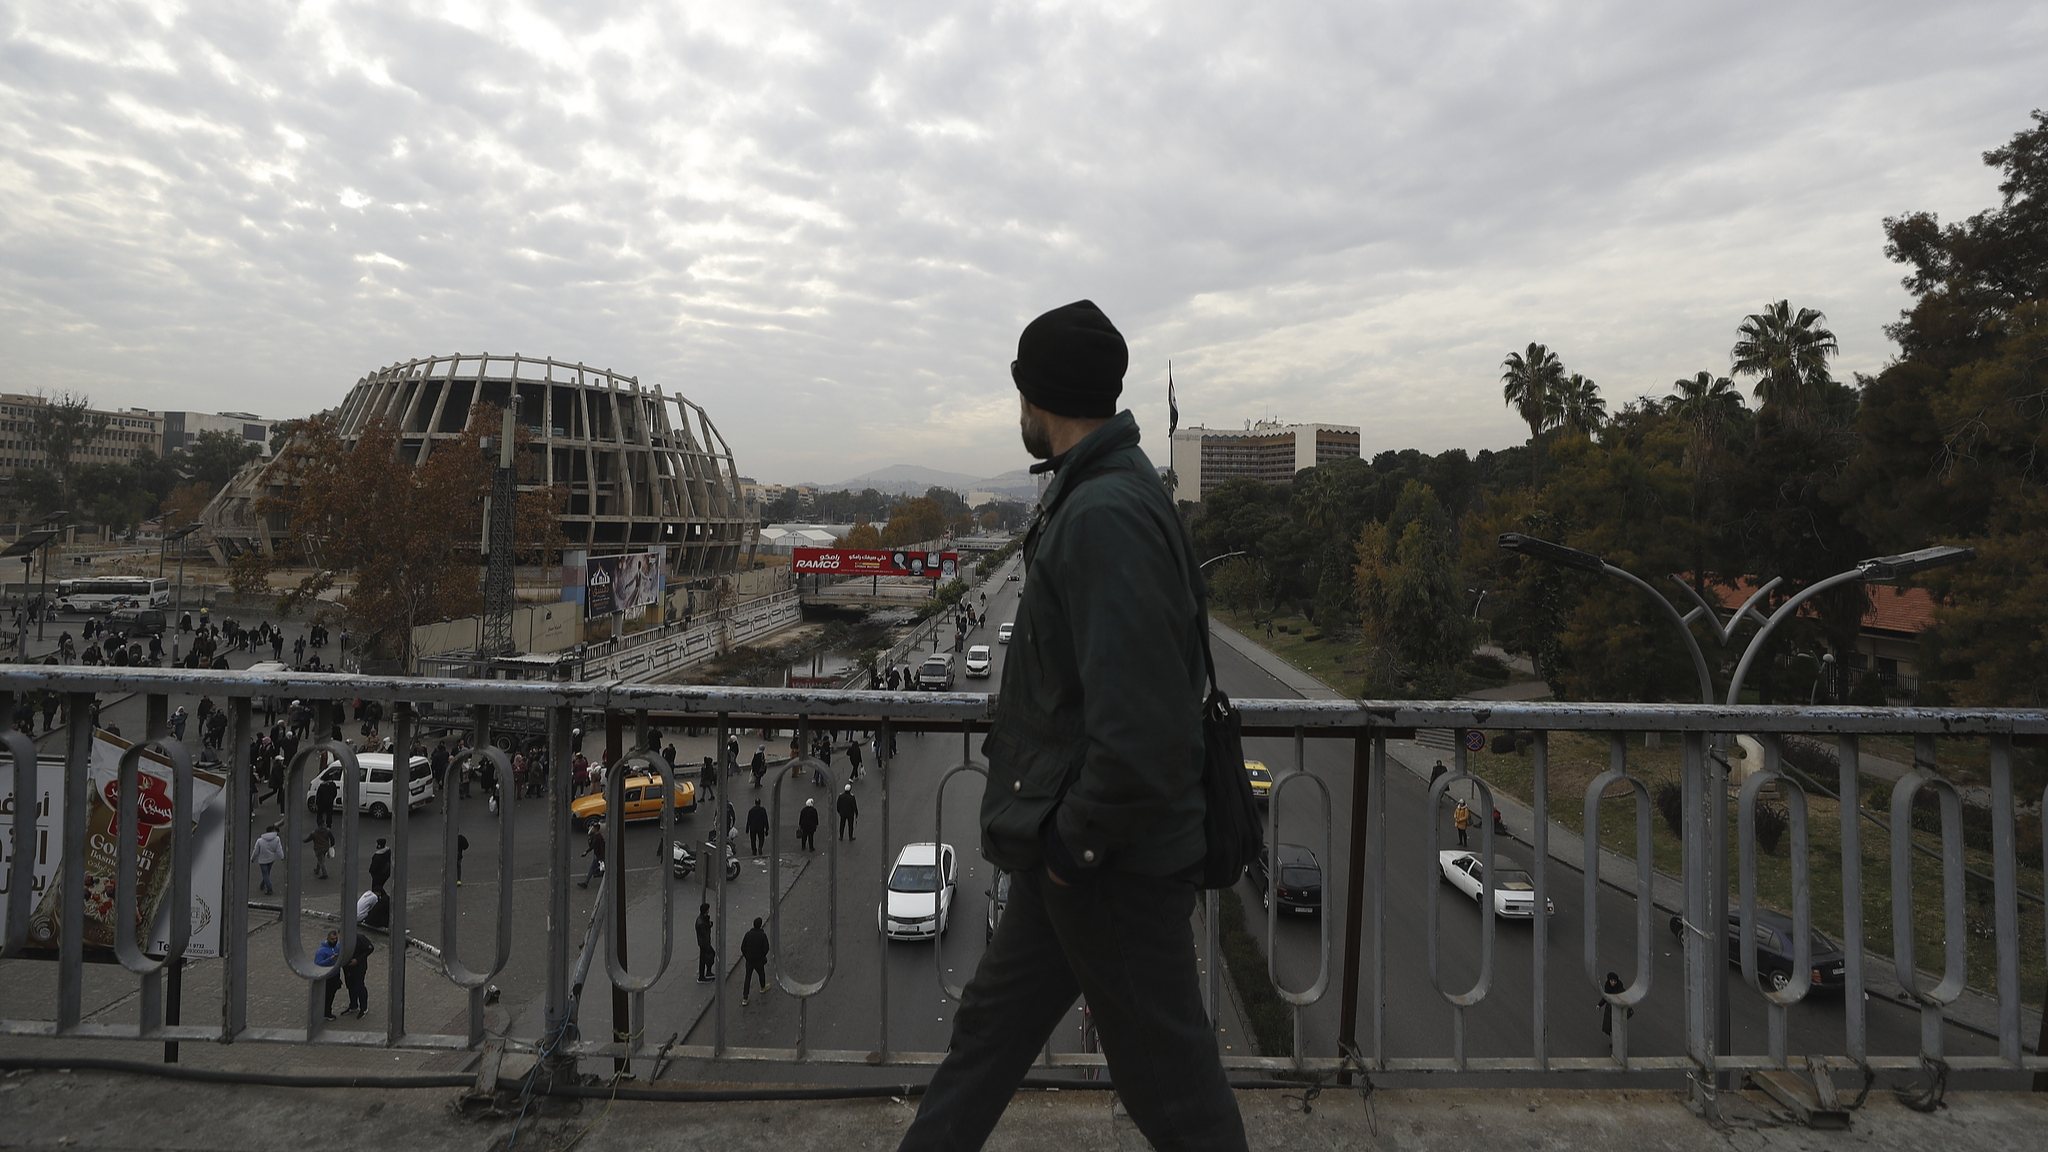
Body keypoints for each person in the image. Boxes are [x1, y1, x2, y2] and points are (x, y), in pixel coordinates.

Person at [897, 300, 1245, 1152]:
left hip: (1109, 867)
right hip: (1077, 854)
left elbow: (1144, 733)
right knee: (988, 1039)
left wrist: (1070, 850)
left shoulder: (1103, 515)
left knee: (1173, 1089)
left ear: (1039, 397)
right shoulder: (1104, 491)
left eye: (1020, 391)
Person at [739, 916, 770, 1006]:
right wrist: (762, 956)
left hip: (749, 960)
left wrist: (747, 956)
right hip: (758, 960)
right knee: (761, 974)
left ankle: (745, 997)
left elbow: (742, 947)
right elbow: (766, 948)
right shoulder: (762, 935)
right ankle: (763, 987)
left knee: (747, 978)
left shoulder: (748, 934)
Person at [342, 930, 373, 1017]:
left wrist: (358, 960)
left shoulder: (360, 938)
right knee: (350, 986)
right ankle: (353, 1005)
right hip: (347, 967)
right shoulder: (343, 939)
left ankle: (364, 1007)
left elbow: (370, 949)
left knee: (359, 986)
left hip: (359, 968)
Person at [317, 929, 345, 1020]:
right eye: (332, 939)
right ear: (328, 939)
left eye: (336, 938)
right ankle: (326, 1013)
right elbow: (318, 963)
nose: (335, 941)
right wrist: (330, 959)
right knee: (327, 996)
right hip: (327, 977)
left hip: (335, 974)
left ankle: (326, 1011)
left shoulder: (338, 946)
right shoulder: (321, 951)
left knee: (331, 995)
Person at [250, 824, 285, 895]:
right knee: (267, 873)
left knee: (265, 873)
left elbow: (256, 851)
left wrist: (253, 858)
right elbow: (279, 849)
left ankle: (269, 887)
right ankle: (263, 884)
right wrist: (282, 857)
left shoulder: (260, 841)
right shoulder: (277, 839)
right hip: (271, 859)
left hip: (262, 860)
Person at [1599, 971, 1633, 1036]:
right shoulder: (1608, 987)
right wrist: (1599, 1005)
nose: (1613, 982)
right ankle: (1615, 1042)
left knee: (1617, 1025)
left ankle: (1617, 1043)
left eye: (1615, 981)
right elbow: (1606, 997)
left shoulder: (1620, 988)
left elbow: (1625, 999)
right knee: (1612, 1025)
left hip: (1618, 1009)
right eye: (1612, 981)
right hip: (1611, 1009)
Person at [578, 824, 606, 888]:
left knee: (592, 869)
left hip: (598, 856)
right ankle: (587, 881)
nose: (592, 829)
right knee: (594, 868)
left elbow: (601, 848)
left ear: (596, 829)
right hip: (597, 855)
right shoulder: (596, 836)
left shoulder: (599, 837)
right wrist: (586, 852)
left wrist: (601, 858)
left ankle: (586, 883)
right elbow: (593, 846)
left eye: (593, 828)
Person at [695, 903, 717, 983]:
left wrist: (709, 924)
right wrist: (708, 946)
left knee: (706, 957)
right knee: (706, 957)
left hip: (704, 943)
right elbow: (704, 935)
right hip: (704, 944)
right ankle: (702, 976)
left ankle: (707, 972)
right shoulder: (701, 923)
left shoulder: (702, 919)